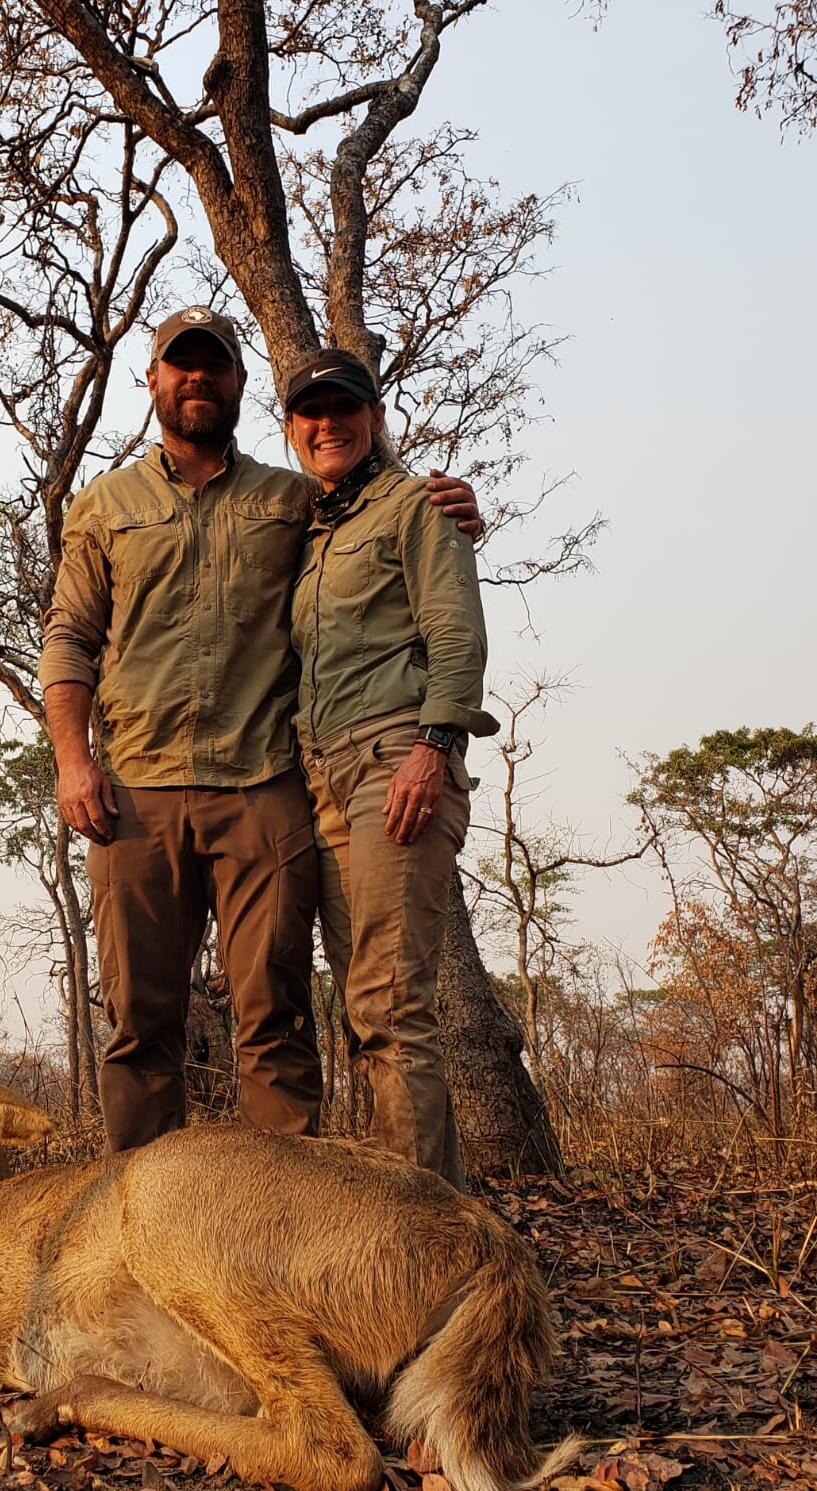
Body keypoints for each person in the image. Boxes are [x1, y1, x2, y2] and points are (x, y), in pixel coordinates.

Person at [38, 308, 482, 1152]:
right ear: (155, 380)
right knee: (137, 1020)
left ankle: (280, 1232)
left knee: (274, 1017)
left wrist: (453, 508)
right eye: (182, 365)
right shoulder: (105, 506)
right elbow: (69, 636)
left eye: (216, 366)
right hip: (135, 791)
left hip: (266, 789)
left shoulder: (292, 501)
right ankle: (138, 1233)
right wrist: (72, 760)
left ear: (241, 386)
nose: (198, 378)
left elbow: (386, 529)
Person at [284, 348, 500, 1191]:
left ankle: (417, 1236)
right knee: (365, 1010)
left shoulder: (417, 504)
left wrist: (433, 749)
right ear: (294, 429)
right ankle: (427, 1215)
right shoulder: (305, 527)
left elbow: (456, 636)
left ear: (374, 418)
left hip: (395, 761)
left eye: (345, 408)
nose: (328, 423)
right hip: (320, 776)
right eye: (311, 412)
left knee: (391, 1008)